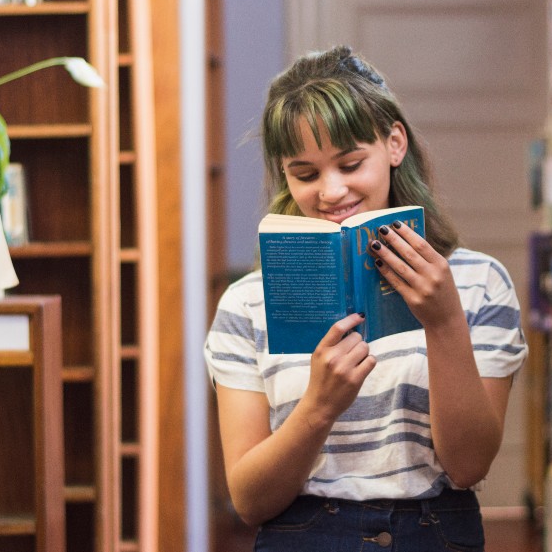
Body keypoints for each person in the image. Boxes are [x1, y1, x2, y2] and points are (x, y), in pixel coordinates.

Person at [203, 46, 527, 551]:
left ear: (394, 144)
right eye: (305, 174)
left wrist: (444, 322)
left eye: (351, 164)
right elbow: (249, 501)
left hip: (434, 533)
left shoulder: (479, 281)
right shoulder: (246, 305)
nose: (331, 192)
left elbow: (468, 466)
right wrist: (318, 407)